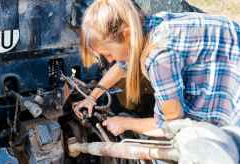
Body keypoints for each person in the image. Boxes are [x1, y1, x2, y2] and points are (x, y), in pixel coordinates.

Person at [73, 0, 240, 136]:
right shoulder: (144, 28)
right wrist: (92, 97)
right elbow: (122, 66)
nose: (109, 60)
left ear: (127, 35)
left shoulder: (159, 56)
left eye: (108, 53)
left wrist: (125, 123)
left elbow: (173, 122)